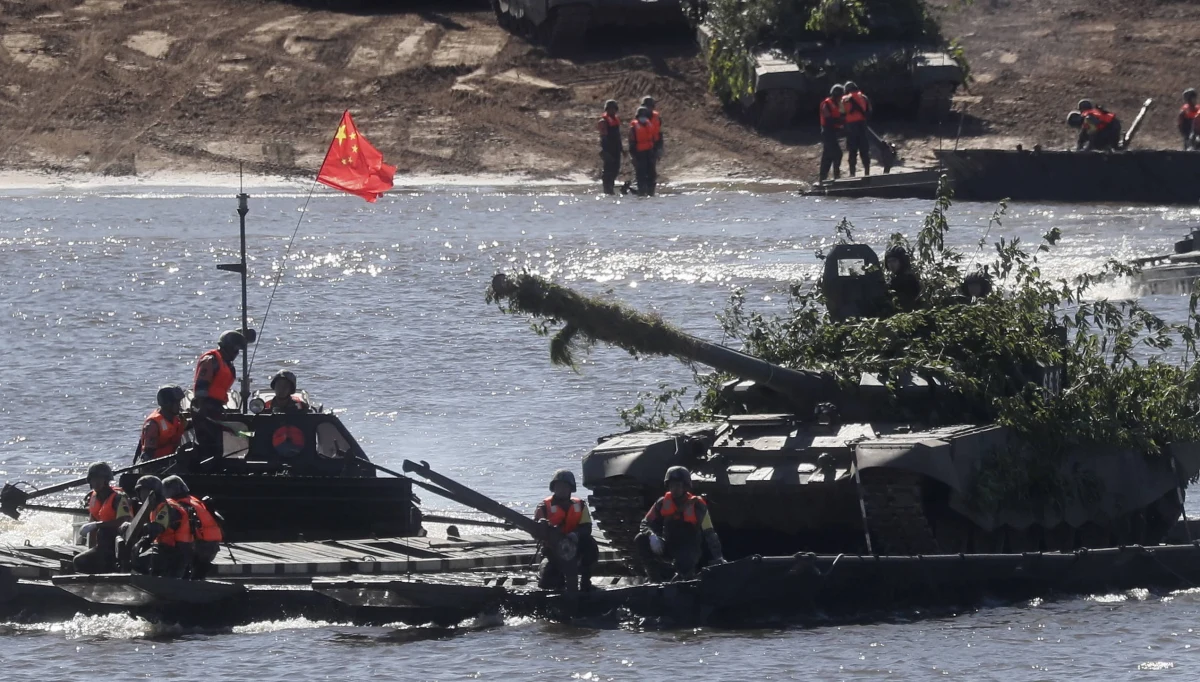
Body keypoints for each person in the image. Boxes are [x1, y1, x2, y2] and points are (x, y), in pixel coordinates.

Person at [635, 466, 725, 581]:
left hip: (689, 549)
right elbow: (645, 523)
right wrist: (651, 536)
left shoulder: (697, 505)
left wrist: (718, 557)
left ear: (685, 486)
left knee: (683, 571)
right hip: (668, 545)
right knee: (640, 538)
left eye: (678, 485)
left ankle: (684, 577)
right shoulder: (662, 503)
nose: (674, 489)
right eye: (672, 485)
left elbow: (709, 532)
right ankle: (654, 578)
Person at [533, 469, 598, 592]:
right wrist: (543, 526)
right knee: (547, 581)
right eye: (558, 486)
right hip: (553, 550)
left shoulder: (580, 505)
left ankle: (585, 581)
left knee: (591, 545)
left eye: (565, 486)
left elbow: (587, 527)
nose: (561, 489)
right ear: (553, 488)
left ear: (571, 488)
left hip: (575, 545)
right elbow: (535, 530)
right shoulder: (544, 506)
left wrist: (575, 534)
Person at [192, 330, 245, 458]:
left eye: (238, 351)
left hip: (216, 406)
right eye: (235, 350)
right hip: (204, 406)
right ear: (226, 347)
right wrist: (204, 410)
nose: (236, 353)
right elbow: (200, 387)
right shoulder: (211, 360)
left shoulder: (228, 364)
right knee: (207, 445)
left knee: (218, 446)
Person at [72, 462, 133, 574]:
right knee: (81, 559)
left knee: (79, 561)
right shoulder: (93, 497)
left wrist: (98, 525)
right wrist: (90, 548)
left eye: (100, 479)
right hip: (102, 545)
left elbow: (125, 521)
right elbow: (92, 526)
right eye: (93, 479)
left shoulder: (118, 498)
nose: (96, 482)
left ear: (106, 480)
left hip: (116, 545)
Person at [131, 475, 193, 578]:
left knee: (141, 561)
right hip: (166, 548)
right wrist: (142, 541)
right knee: (138, 553)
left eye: (143, 491)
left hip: (176, 551)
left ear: (152, 491)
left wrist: (137, 527)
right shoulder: (156, 507)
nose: (141, 495)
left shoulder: (167, 507)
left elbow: (157, 528)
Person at [162, 475, 223, 579]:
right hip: (212, 545)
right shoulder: (194, 500)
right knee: (197, 574)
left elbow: (181, 528)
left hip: (199, 545)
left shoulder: (177, 505)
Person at [137, 385, 187, 461]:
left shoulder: (176, 418)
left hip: (173, 457)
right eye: (176, 403)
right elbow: (148, 456)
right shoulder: (153, 425)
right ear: (167, 403)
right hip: (159, 463)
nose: (179, 406)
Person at [841, 82, 872, 176]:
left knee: (852, 151)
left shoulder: (844, 99)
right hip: (862, 126)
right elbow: (869, 111)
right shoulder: (864, 97)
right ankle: (867, 173)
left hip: (851, 128)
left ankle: (852, 174)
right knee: (864, 150)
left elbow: (841, 114)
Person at [819, 84, 845, 183]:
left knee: (828, 156)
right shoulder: (826, 104)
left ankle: (823, 178)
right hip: (827, 132)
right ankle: (836, 177)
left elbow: (842, 115)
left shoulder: (837, 104)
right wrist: (840, 121)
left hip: (833, 132)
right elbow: (828, 119)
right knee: (837, 154)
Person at [629, 107, 658, 196]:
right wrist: (633, 157)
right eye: (641, 115)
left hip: (649, 153)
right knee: (641, 174)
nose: (643, 117)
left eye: (644, 115)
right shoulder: (633, 128)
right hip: (639, 154)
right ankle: (641, 192)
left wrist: (655, 152)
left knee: (652, 174)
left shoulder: (649, 125)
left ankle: (651, 193)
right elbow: (631, 143)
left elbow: (654, 140)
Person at [884, 245, 921, 310]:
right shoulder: (896, 278)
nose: (891, 264)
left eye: (894, 261)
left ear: (902, 261)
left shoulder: (908, 280)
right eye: (889, 261)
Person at [597, 100, 622, 195]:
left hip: (616, 149)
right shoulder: (603, 121)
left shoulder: (616, 120)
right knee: (608, 170)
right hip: (608, 149)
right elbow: (603, 137)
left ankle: (610, 189)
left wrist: (621, 149)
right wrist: (605, 151)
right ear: (606, 109)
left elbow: (618, 137)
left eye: (614, 109)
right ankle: (607, 190)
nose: (612, 111)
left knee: (615, 169)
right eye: (610, 109)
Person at [641, 96, 664, 161]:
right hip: (642, 148)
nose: (648, 108)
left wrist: (660, 147)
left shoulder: (657, 118)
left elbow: (659, 133)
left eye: (650, 106)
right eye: (646, 106)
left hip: (654, 146)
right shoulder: (639, 118)